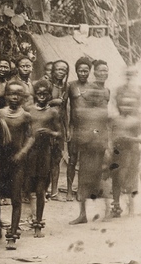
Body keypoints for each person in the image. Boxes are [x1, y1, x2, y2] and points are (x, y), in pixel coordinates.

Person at [0, 81, 31, 249]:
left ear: (23, 97)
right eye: (11, 93)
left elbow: (31, 137)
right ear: (5, 96)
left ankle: (12, 234)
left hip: (17, 162)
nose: (14, 97)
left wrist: (22, 153)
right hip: (0, 161)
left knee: (16, 198)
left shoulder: (25, 116)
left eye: (18, 94)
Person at [70, 59, 111, 224]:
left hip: (101, 141)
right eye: (100, 70)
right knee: (84, 177)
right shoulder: (89, 91)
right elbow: (82, 117)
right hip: (88, 141)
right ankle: (82, 214)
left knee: (102, 174)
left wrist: (106, 142)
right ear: (94, 73)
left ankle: (108, 210)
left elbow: (105, 121)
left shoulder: (107, 91)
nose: (103, 73)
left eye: (106, 70)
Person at [25, 79, 63, 237]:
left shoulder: (53, 112)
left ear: (50, 95)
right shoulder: (27, 109)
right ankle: (25, 220)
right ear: (34, 93)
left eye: (45, 94)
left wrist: (50, 133)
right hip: (28, 152)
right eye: (38, 93)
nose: (41, 96)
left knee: (41, 190)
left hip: (44, 153)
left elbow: (60, 133)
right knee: (26, 189)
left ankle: (38, 225)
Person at [110, 66, 141, 217]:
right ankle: (116, 205)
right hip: (118, 148)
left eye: (132, 74)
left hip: (132, 148)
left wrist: (131, 139)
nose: (130, 76)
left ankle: (131, 206)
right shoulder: (118, 91)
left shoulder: (138, 92)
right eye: (127, 74)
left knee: (132, 175)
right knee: (116, 175)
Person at [65, 56, 93, 202]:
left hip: (87, 129)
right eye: (80, 70)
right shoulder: (71, 86)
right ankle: (69, 190)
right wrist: (68, 128)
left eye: (86, 70)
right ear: (76, 71)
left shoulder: (93, 87)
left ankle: (80, 190)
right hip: (75, 129)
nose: (83, 73)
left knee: (85, 161)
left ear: (89, 71)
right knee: (72, 160)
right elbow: (65, 108)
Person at [47, 59, 70, 199]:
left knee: (56, 158)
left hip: (59, 126)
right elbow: (38, 104)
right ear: (53, 70)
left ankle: (54, 191)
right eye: (58, 69)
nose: (61, 72)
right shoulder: (46, 84)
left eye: (64, 70)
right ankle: (42, 190)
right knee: (44, 158)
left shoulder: (66, 87)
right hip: (46, 124)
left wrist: (67, 129)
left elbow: (64, 111)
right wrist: (52, 102)